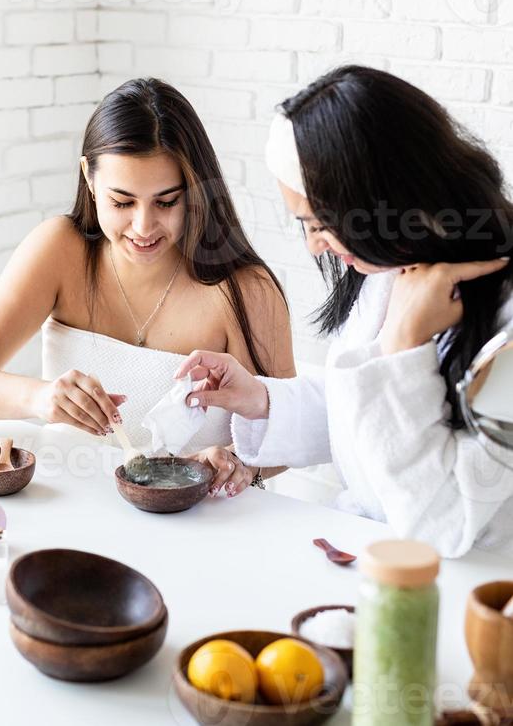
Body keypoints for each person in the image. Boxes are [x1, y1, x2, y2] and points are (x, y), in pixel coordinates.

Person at [175, 66, 513, 556]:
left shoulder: (503, 317)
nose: (315, 247)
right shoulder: (389, 271)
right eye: (304, 224)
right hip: (367, 554)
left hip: (460, 591)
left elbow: (445, 523)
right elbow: (363, 417)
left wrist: (404, 346)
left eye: (321, 224)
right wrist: (260, 401)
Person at [0, 78, 294, 496]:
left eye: (166, 201)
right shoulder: (60, 251)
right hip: (72, 507)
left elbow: (286, 433)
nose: (143, 227)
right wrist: (40, 398)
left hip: (203, 523)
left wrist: (237, 462)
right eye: (122, 202)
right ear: (88, 177)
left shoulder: (243, 290)